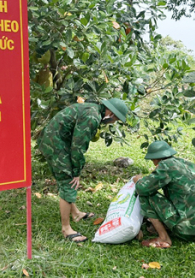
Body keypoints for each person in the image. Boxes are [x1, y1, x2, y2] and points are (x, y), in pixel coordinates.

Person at [39, 98, 129, 243]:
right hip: (56, 144)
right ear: (111, 113)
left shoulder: (93, 108)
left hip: (54, 140)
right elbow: (78, 147)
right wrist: (76, 172)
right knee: (68, 181)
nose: (113, 122)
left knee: (67, 181)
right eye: (116, 119)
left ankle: (76, 213)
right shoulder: (92, 117)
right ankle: (66, 229)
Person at [132, 141, 195, 248]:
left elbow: (142, 188)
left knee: (146, 194)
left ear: (156, 159)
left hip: (186, 231)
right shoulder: (187, 163)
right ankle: (167, 226)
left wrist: (138, 180)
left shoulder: (165, 166)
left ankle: (163, 237)